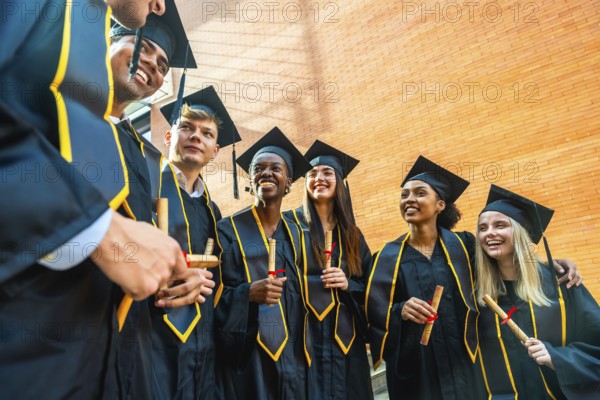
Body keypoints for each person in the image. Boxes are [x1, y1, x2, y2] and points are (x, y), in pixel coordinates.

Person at [0, 1, 187, 397]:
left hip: (99, 360)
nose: (159, 5)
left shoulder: (129, 149)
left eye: (164, 64)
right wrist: (98, 230)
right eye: (144, 48)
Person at [108, 4, 220, 398]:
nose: (152, 65)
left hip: (145, 341)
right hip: (116, 332)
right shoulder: (63, 111)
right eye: (143, 47)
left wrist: (196, 279)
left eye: (162, 62)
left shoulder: (139, 156)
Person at [366, 155, 485, 400]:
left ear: (440, 205)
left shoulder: (464, 246)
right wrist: (400, 310)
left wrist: (554, 265)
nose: (409, 199)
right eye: (404, 195)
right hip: (417, 374)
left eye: (420, 193)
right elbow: (372, 317)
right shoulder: (385, 259)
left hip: (468, 365)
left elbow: (502, 273)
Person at [150, 86, 242, 399]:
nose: (195, 137)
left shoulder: (212, 210)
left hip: (204, 346)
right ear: (168, 137)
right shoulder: (144, 187)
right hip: (153, 337)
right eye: (186, 128)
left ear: (215, 150)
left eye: (206, 133)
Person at [475, 184, 600, 399]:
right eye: (483, 228)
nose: (490, 233)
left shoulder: (560, 283)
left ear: (521, 232)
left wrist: (558, 358)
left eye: (500, 225)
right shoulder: (478, 293)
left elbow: (595, 341)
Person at [215, 127, 312, 399]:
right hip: (248, 357)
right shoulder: (226, 231)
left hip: (295, 355)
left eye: (276, 168)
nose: (266, 173)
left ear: (289, 182)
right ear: (250, 178)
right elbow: (211, 296)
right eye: (259, 168)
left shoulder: (298, 235)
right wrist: (247, 293)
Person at [284, 140, 373, 400]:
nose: (318, 178)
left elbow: (371, 291)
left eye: (327, 173)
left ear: (340, 182)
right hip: (303, 338)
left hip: (347, 344)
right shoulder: (288, 225)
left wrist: (348, 284)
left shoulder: (353, 236)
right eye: (312, 174)